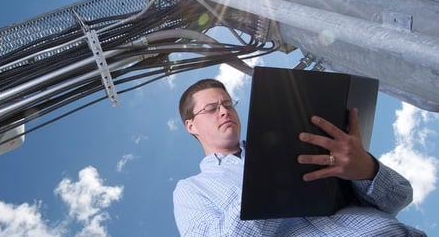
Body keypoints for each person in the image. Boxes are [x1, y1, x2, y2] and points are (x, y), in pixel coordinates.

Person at [173, 79, 425, 236]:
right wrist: (267, 178)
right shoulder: (190, 189)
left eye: (228, 104)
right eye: (211, 108)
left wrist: (367, 169)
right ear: (191, 126)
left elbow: (400, 198)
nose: (224, 111)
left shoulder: (297, 136)